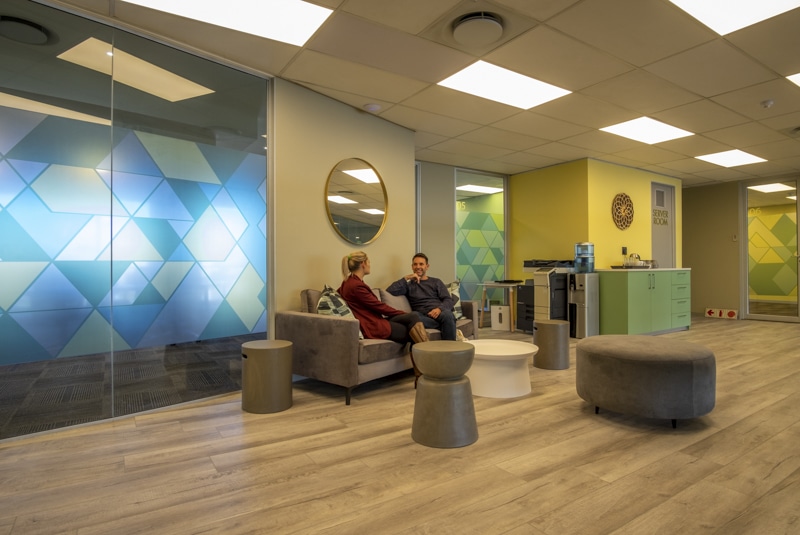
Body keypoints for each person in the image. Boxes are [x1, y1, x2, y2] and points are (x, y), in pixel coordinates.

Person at [338, 250, 429, 345]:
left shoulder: (348, 282)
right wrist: (402, 313)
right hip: (372, 326)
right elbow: (379, 306)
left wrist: (403, 314)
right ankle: (427, 351)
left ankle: (423, 351)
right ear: (363, 264)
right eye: (368, 262)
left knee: (412, 317)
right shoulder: (356, 286)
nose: (369, 265)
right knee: (412, 326)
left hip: (374, 321)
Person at [386, 252, 457, 341]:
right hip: (422, 317)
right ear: (412, 267)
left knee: (448, 315)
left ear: (427, 266)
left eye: (421, 264)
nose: (418, 267)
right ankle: (445, 325)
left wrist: (439, 309)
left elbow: (448, 300)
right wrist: (407, 277)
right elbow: (390, 291)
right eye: (415, 264)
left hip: (439, 313)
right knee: (413, 317)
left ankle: (450, 348)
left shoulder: (436, 282)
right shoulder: (409, 285)